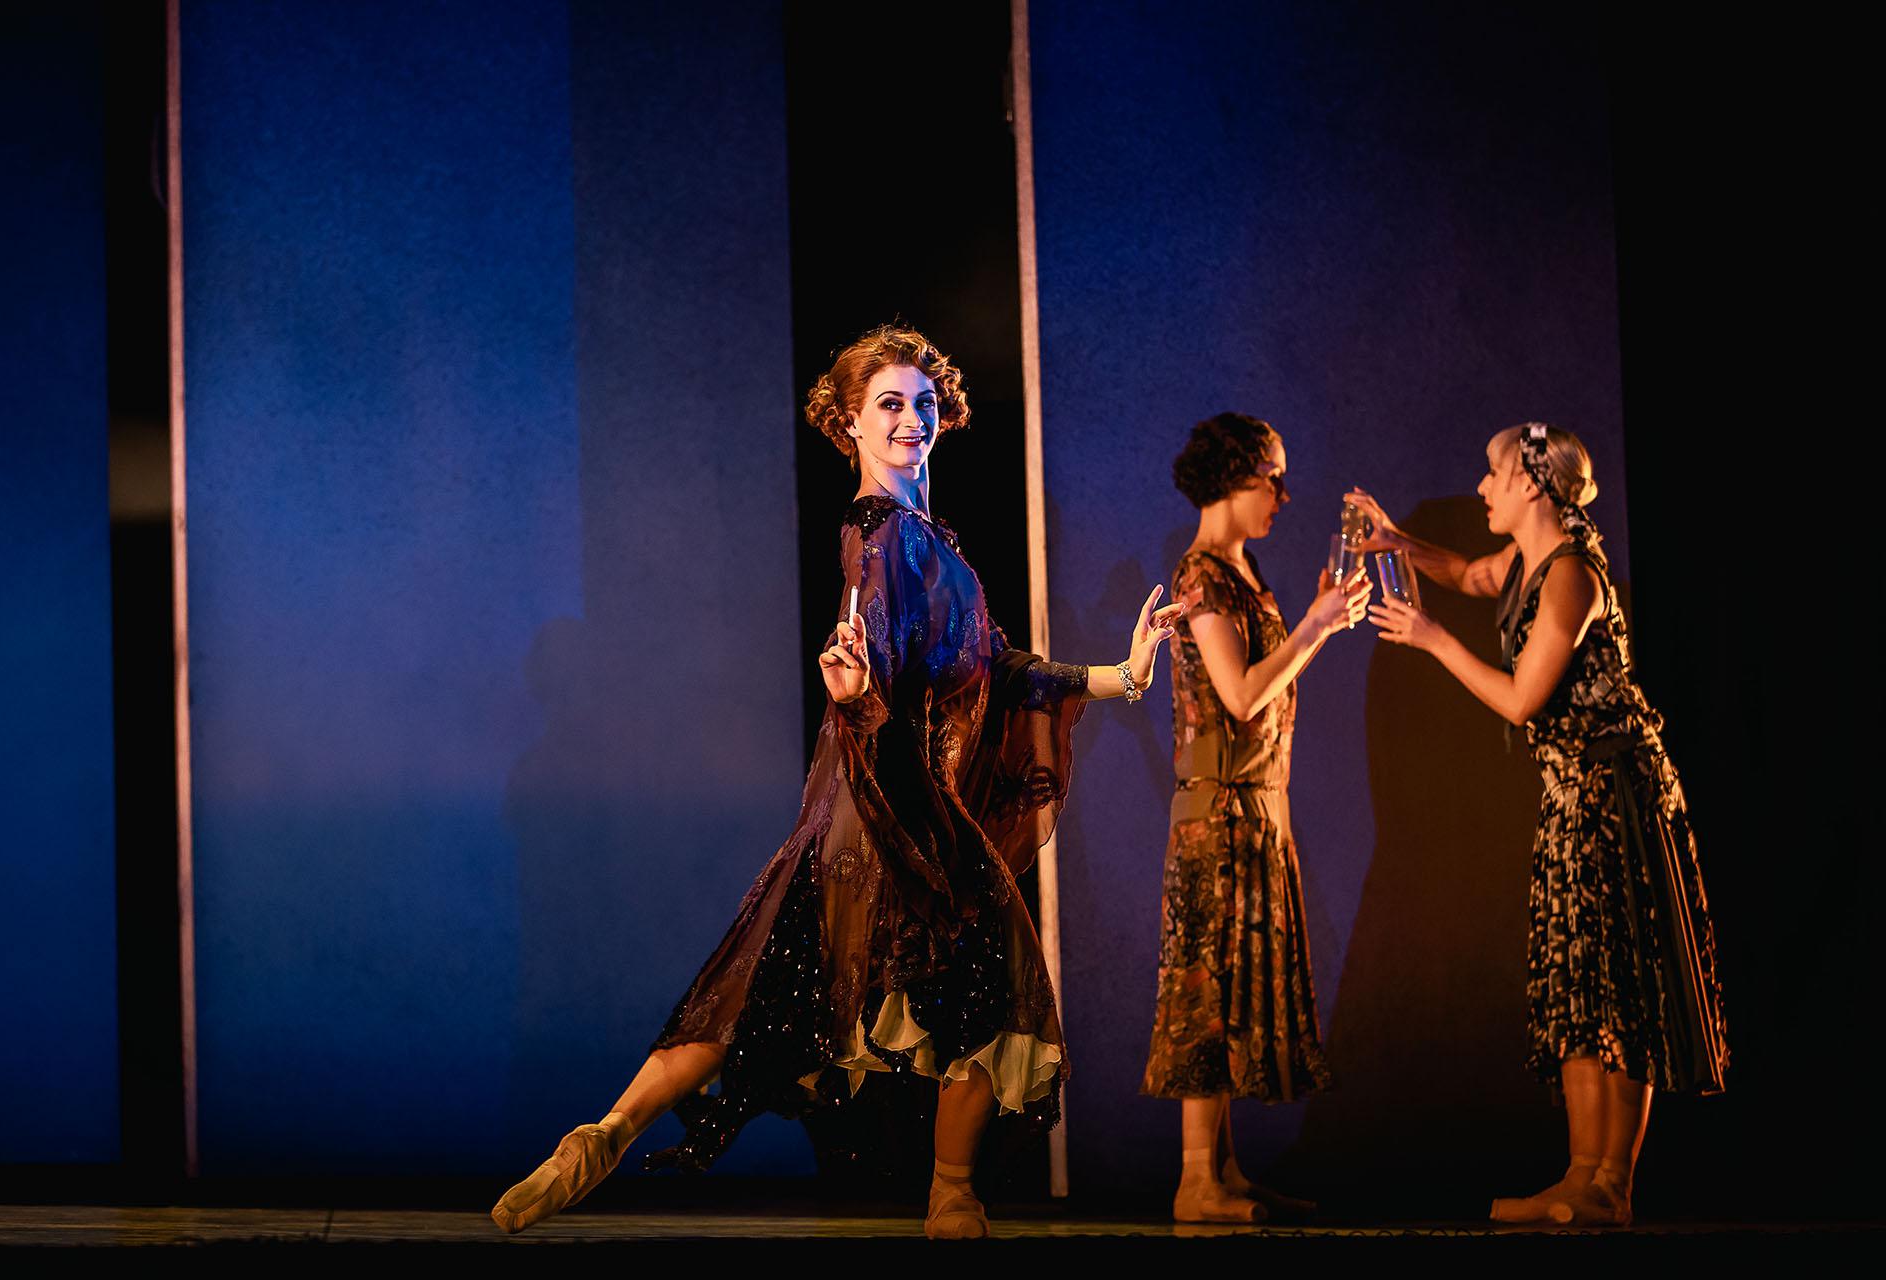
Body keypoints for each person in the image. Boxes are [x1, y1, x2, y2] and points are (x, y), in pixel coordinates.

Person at [492, 326, 1184, 1239]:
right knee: (996, 976)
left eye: (923, 403)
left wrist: (1120, 675)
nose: (911, 420)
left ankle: (608, 1131)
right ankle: (950, 1195)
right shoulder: (882, 534)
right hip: (894, 797)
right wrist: (856, 694)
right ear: (849, 425)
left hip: (866, 799)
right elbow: (875, 656)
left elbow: (995, 666)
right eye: (889, 405)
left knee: (762, 979)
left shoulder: (928, 540)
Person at [1356, 423, 1727, 1227]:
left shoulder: (1570, 577)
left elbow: (1524, 699)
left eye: (1491, 473)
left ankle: (1610, 1187)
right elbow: (1463, 570)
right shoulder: (1525, 561)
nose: (1481, 488)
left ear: (1530, 482)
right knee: (1578, 984)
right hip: (1572, 791)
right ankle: (1580, 1173)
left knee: (1621, 985)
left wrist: (1430, 639)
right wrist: (1396, 540)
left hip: (1617, 791)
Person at [1141, 413, 1370, 1223]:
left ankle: (1223, 1172)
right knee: (1207, 986)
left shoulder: (1242, 572)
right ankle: (1195, 1179)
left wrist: (1311, 622)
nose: (1281, 492)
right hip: (1219, 815)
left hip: (1254, 808)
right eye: (1269, 475)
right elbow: (1240, 695)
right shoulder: (1202, 575)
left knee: (1233, 987)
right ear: (1232, 478)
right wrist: (1315, 623)